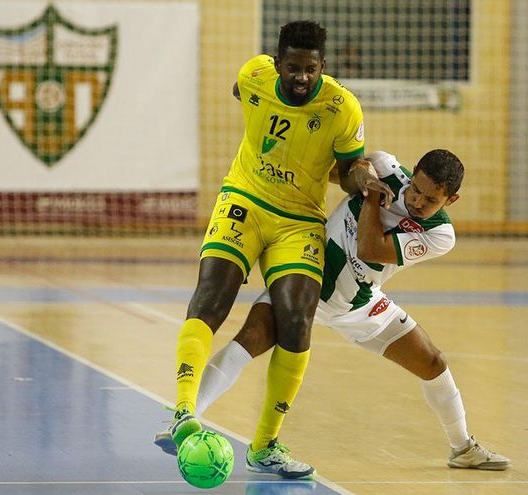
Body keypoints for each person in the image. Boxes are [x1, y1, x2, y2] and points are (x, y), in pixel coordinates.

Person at [166, 150, 511, 471]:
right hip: (304, 282)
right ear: (411, 175)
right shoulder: (385, 166)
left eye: (431, 199)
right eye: (416, 190)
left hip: (359, 304)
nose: (418, 201)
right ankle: (184, 419)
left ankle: (462, 448)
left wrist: (372, 196)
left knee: (434, 363)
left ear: (452, 200)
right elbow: (338, 174)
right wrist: (360, 174)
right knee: (248, 341)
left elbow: (370, 247)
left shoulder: (440, 234)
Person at [154, 20, 393, 480]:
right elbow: (241, 92)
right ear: (277, 62)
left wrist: (363, 180)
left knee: (297, 321)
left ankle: (265, 445)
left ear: (323, 66)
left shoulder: (343, 108)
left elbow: (347, 170)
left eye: (310, 69)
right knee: (211, 298)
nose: (300, 77)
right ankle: (184, 413)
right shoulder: (254, 76)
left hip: (299, 219)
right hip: (244, 199)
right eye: (292, 68)